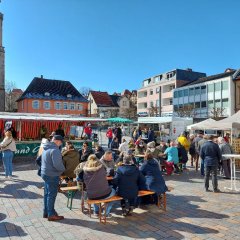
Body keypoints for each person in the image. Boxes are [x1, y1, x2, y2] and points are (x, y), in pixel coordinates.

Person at [41, 135, 65, 221]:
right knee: (51, 195)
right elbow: (58, 165)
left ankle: (46, 212)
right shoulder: (55, 150)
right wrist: (63, 170)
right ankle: (51, 214)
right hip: (52, 175)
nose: (61, 144)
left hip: (45, 173)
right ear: (58, 141)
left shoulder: (46, 147)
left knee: (47, 194)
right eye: (61, 142)